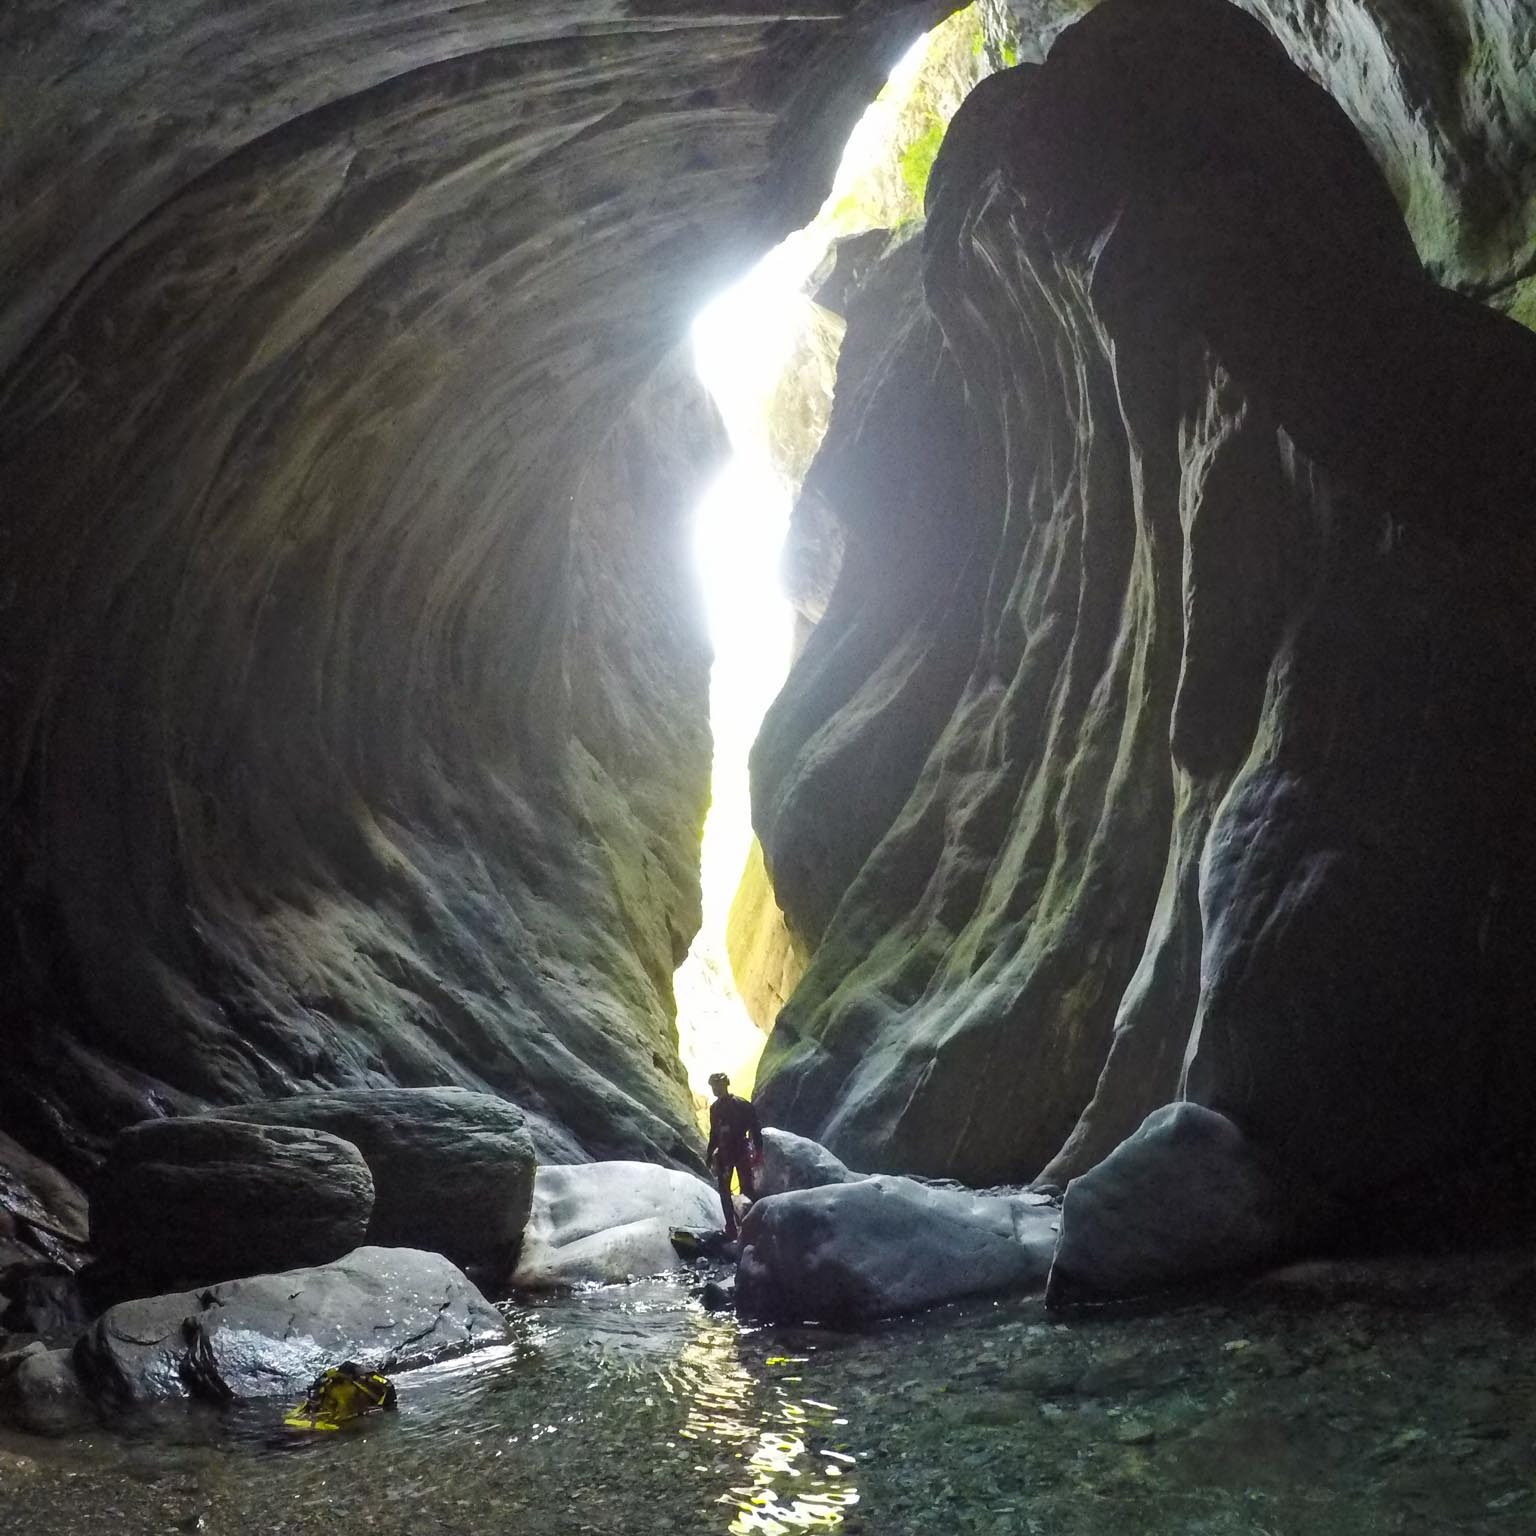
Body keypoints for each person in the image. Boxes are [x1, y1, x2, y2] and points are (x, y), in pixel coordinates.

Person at [705, 1071, 762, 1239]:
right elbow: (714, 1134)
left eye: (718, 1085)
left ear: (726, 1085)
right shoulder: (715, 1109)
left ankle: (752, 1225)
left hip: (740, 1151)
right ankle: (731, 1227)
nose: (716, 1089)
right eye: (713, 1086)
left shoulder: (742, 1105)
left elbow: (755, 1128)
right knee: (725, 1192)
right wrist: (709, 1154)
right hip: (725, 1154)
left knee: (747, 1189)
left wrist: (758, 1151)